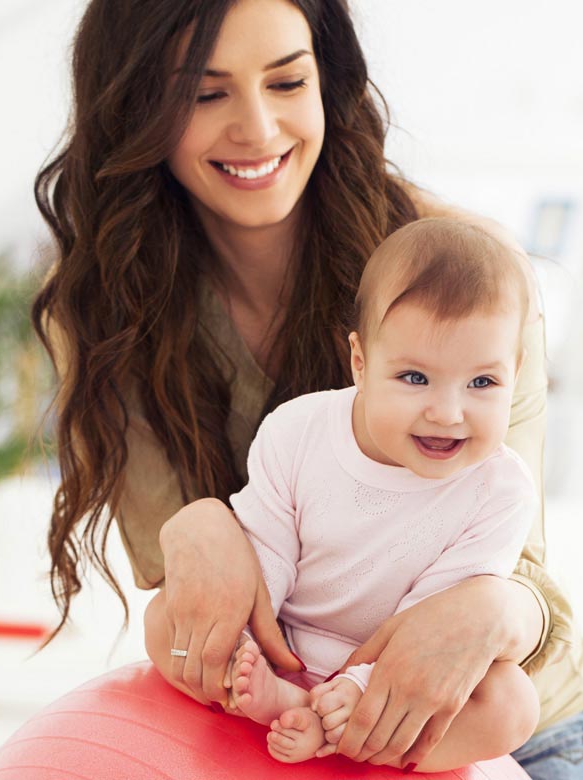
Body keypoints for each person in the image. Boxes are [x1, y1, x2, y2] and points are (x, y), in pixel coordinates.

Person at [32, 0, 583, 778]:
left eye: (287, 82)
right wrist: (193, 528)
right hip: (278, 724)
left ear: (326, 83)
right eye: (206, 95)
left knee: (510, 696)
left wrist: (502, 610)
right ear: (136, 109)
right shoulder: (104, 313)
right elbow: (190, 605)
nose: (259, 130)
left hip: (515, 737)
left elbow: (515, 553)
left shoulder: (468, 278)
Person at [148, 218, 541, 770]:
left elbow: (433, 622)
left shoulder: (501, 488)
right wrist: (249, 648)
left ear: (515, 373)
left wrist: (356, 690)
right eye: (414, 378)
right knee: (163, 619)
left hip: (404, 679)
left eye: (482, 383)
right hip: (282, 640)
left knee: (513, 707)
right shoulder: (298, 429)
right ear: (361, 362)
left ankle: (343, 734)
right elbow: (264, 552)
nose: (448, 413)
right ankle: (273, 701)